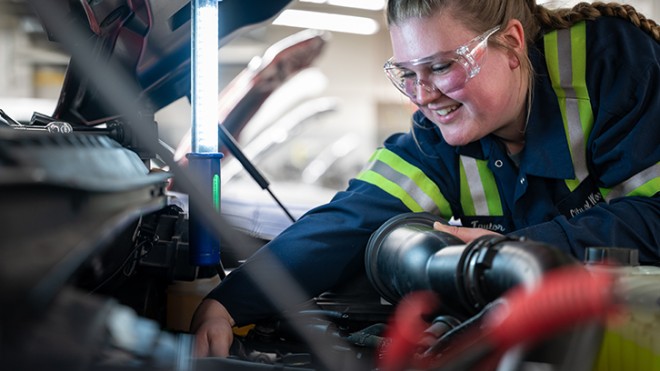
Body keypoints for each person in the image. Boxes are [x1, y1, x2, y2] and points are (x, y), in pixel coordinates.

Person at [191, 0, 660, 357]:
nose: (423, 95)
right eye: (407, 73)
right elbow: (348, 220)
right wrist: (230, 301)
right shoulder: (437, 141)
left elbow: (654, 216)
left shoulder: (609, 66)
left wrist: (508, 251)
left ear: (513, 44)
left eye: (441, 67)